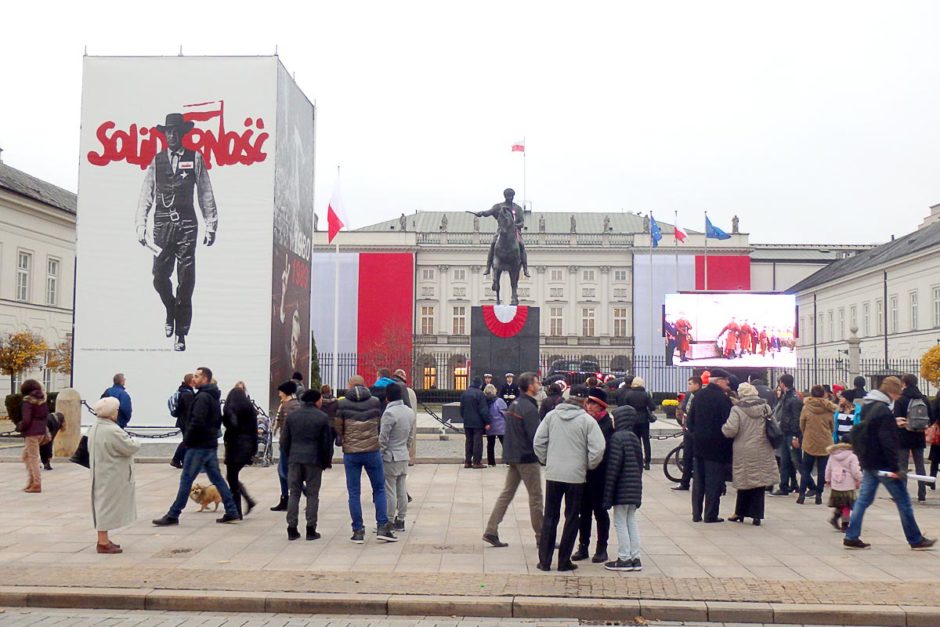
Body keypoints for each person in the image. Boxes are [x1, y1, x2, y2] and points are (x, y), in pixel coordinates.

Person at [135, 112, 218, 352]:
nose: (171, 135)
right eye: (168, 132)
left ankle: (181, 332)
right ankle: (170, 309)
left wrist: (210, 224)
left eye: (175, 131)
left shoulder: (195, 158)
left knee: (186, 279)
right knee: (159, 276)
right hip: (161, 224)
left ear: (182, 133)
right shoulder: (157, 161)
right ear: (165, 134)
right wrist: (141, 224)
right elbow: (146, 194)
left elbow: (205, 193)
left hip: (186, 225)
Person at [843, 377, 935, 550]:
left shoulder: (869, 406)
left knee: (864, 499)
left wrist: (893, 423)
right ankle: (915, 539)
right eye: (897, 391)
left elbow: (872, 431)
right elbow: (887, 441)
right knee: (903, 501)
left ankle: (851, 535)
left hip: (869, 460)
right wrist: (895, 467)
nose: (899, 395)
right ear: (892, 392)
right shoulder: (884, 411)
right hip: (884, 464)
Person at [153, 367, 240, 526]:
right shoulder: (212, 396)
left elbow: (197, 421)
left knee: (186, 479)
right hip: (209, 444)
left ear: (205, 379)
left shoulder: (202, 397)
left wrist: (188, 439)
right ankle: (232, 510)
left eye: (197, 376)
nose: (194, 378)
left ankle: (173, 514)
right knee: (217, 479)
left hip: (198, 445)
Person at [534, 385, 606, 572]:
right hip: (576, 476)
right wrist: (588, 464)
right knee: (572, 517)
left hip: (554, 473)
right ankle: (564, 560)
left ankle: (544, 561)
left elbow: (538, 442)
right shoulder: (587, 421)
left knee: (550, 516)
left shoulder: (551, 417)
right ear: (583, 402)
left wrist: (546, 460)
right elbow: (598, 448)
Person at [483, 372, 544, 548]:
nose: (539, 385)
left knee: (506, 494)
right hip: (526, 457)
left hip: (514, 456)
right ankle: (542, 536)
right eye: (537, 382)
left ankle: (491, 529)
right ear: (530, 386)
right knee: (536, 498)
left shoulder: (515, 404)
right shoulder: (529, 407)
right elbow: (536, 436)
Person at [334, 376, 397, 543]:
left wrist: (344, 440)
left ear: (351, 385)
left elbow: (338, 427)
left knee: (354, 492)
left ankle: (358, 530)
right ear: (363, 385)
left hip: (351, 452)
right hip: (372, 450)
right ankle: (382, 526)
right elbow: (378, 423)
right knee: (379, 489)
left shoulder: (342, 404)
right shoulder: (375, 401)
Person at [87, 397, 141, 554]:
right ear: (111, 413)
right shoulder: (112, 430)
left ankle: (103, 538)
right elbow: (129, 447)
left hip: (100, 470)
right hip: (111, 473)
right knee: (106, 505)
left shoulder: (95, 427)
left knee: (102, 503)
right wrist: (136, 441)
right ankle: (103, 542)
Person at [721, 383, 778, 525]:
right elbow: (774, 424)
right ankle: (757, 515)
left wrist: (723, 428)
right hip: (763, 447)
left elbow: (731, 430)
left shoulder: (737, 409)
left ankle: (739, 512)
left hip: (744, 449)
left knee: (744, 481)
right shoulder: (765, 407)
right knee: (759, 482)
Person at [281, 389, 334, 541]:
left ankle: (292, 528)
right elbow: (326, 443)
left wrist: (290, 455)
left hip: (295, 459)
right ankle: (311, 529)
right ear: (317, 401)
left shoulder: (292, 416)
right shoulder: (322, 417)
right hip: (314, 460)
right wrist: (326, 461)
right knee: (312, 494)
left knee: (294, 493)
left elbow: (284, 441)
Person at [572, 387, 614, 564]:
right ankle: (583, 546)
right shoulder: (583, 421)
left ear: (601, 406)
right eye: (588, 402)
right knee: (584, 512)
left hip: (600, 475)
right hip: (583, 474)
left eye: (593, 403)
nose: (588, 406)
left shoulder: (605, 424)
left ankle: (601, 547)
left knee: (600, 512)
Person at [601, 403, 644, 571]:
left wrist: (607, 496)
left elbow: (613, 469)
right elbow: (640, 465)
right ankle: (635, 556)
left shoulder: (617, 438)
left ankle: (624, 558)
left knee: (620, 522)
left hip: (621, 488)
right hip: (633, 488)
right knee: (631, 521)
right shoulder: (633, 437)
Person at [688, 368, 734, 523]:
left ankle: (696, 514)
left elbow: (690, 421)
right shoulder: (723, 399)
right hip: (717, 447)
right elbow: (728, 423)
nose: (728, 383)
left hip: (699, 445)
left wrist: (696, 435)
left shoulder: (698, 395)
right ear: (718, 380)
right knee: (713, 482)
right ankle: (710, 514)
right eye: (725, 380)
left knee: (698, 481)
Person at [380, 383, 415, 532]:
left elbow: (383, 438)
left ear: (387, 397)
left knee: (390, 490)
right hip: (402, 454)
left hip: (390, 455)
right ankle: (401, 519)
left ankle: (388, 520)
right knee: (402, 489)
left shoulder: (389, 413)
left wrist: (380, 453)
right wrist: (406, 450)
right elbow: (410, 436)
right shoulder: (409, 411)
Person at [476, 188, 530, 278]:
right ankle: (488, 267)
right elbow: (488, 212)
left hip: (515, 232)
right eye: (508, 196)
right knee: (493, 243)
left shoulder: (517, 208)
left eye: (511, 196)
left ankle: (525, 268)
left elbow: (522, 223)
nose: (510, 198)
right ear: (505, 196)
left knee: (521, 244)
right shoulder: (498, 207)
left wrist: (514, 225)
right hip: (501, 231)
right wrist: (481, 213)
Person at [222, 385, 259, 518]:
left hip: (235, 445)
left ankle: (238, 510)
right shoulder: (250, 409)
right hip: (248, 445)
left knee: (231, 477)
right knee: (233, 477)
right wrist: (254, 449)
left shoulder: (230, 408)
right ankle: (247, 502)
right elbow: (255, 432)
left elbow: (232, 425)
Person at [797, 386, 837, 505]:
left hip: (810, 441)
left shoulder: (806, 407)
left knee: (806, 469)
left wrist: (806, 434)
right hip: (825, 442)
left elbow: (802, 423)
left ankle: (802, 494)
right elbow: (832, 426)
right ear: (823, 394)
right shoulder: (828, 408)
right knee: (821, 470)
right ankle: (818, 495)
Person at [771, 374, 808, 497]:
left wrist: (796, 436)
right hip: (785, 432)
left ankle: (811, 485)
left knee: (797, 461)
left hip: (791, 434)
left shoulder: (793, 398)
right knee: (785, 461)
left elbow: (796, 419)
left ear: (782, 383)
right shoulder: (787, 396)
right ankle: (784, 486)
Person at [895, 374, 929, 503]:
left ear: (904, 383)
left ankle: (902, 494)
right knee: (920, 465)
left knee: (902, 466)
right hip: (919, 436)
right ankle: (922, 493)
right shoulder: (923, 399)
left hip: (903, 436)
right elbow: (929, 418)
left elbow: (896, 418)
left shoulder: (900, 399)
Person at [270, 381, 301, 512]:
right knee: (284, 472)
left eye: (280, 391)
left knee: (284, 472)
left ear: (285, 392)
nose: (278, 393)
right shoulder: (292, 404)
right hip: (291, 443)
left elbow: (286, 427)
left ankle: (289, 498)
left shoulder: (288, 406)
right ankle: (285, 498)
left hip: (287, 444)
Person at [18, 380, 49, 493]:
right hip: (41, 431)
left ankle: (36, 483)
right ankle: (31, 481)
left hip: (31, 433)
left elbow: (26, 420)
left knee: (33, 458)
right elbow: (46, 416)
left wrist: (20, 427)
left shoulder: (27, 402)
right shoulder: (43, 400)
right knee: (26, 456)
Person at [825, 440, 861, 530]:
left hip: (836, 483)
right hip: (848, 484)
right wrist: (860, 479)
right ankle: (845, 524)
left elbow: (828, 469)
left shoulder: (832, 455)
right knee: (847, 505)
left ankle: (835, 518)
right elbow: (855, 471)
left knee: (841, 503)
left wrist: (828, 480)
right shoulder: (852, 456)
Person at [621, 377, 655, 470]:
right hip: (644, 420)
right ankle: (647, 462)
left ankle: (637, 460)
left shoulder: (629, 394)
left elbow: (625, 406)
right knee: (646, 441)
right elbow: (652, 407)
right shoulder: (646, 394)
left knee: (636, 441)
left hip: (632, 420)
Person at [673, 376, 701, 491]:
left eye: (691, 383)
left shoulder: (700, 396)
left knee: (696, 457)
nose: (688, 386)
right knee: (687, 456)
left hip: (696, 430)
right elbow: (684, 408)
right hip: (687, 429)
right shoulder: (689, 395)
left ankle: (697, 482)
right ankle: (685, 483)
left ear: (697, 385)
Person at [459, 377, 490, 469]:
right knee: (477, 442)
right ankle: (477, 462)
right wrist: (487, 421)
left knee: (468, 441)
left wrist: (465, 417)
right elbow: (483, 410)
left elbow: (461, 409)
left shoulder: (465, 393)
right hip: (478, 423)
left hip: (467, 421)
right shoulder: (480, 394)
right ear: (480, 385)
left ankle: (468, 461)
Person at [391, 369, 419, 466]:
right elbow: (408, 404)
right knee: (405, 437)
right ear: (403, 376)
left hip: (390, 416)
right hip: (402, 416)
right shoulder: (403, 387)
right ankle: (407, 457)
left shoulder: (389, 385)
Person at [170, 373, 196, 468]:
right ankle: (177, 459)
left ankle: (179, 460)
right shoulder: (187, 394)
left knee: (187, 441)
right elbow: (190, 409)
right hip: (186, 421)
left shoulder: (183, 391)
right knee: (187, 441)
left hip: (182, 420)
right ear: (191, 381)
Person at [483, 384, 507, 466]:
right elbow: (505, 413)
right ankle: (508, 461)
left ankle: (491, 462)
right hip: (501, 426)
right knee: (505, 444)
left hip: (490, 426)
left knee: (490, 444)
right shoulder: (499, 401)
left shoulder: (484, 401)